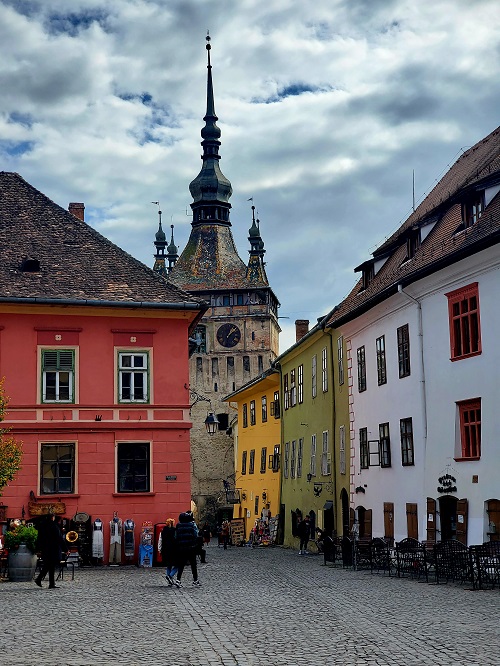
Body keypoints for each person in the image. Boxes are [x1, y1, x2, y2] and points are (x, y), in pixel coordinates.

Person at [34, 513, 65, 589]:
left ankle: (50, 583)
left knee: (49, 565)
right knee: (50, 565)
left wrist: (38, 548)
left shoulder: (42, 526)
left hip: (45, 548)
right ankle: (40, 579)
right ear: (52, 518)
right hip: (53, 548)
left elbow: (39, 538)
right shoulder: (54, 526)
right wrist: (65, 549)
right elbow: (59, 538)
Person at [175, 511, 200, 587]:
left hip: (181, 547)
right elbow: (196, 534)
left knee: (181, 564)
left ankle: (178, 580)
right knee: (193, 564)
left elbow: (175, 537)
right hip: (191, 547)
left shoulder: (178, 526)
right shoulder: (192, 525)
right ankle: (195, 580)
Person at [160, 518, 178, 585]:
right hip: (173, 550)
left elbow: (160, 540)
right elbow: (176, 539)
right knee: (178, 564)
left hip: (165, 550)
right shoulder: (174, 530)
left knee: (169, 565)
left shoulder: (163, 531)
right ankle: (170, 575)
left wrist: (160, 549)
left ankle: (169, 579)